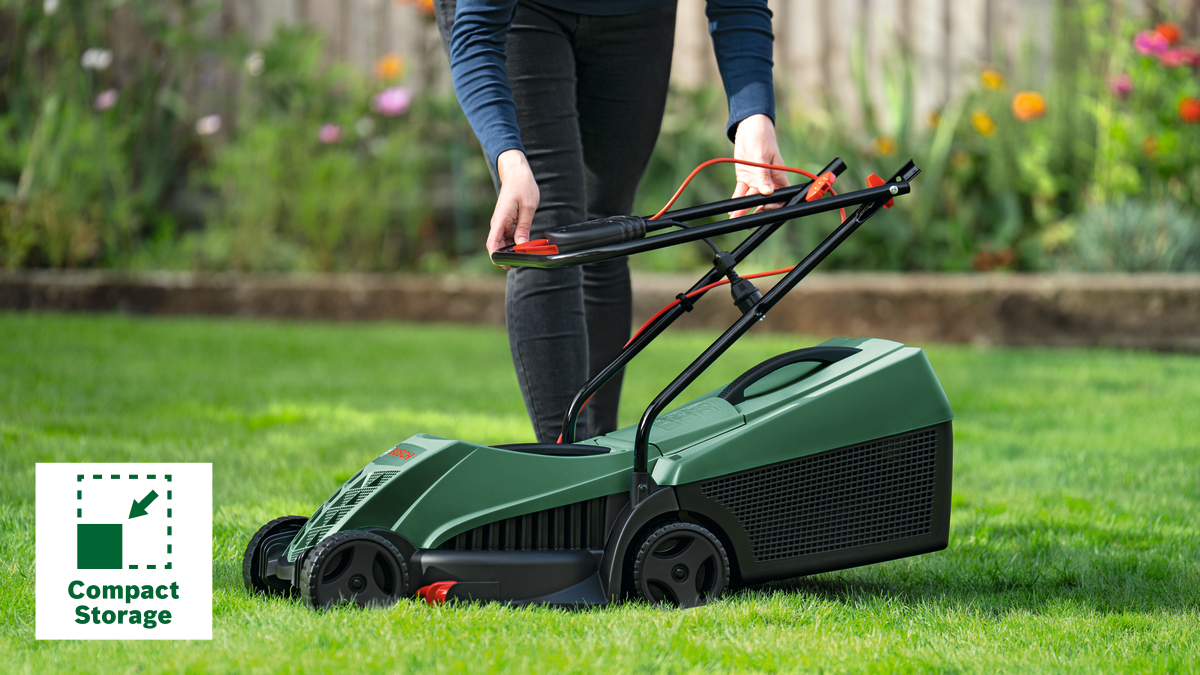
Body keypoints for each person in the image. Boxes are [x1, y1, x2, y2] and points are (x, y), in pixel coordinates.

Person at [434, 0, 790, 444]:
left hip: (635, 17)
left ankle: (601, 455)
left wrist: (754, 116)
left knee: (607, 231)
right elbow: (477, 34)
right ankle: (568, 472)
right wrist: (510, 157)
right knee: (548, 236)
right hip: (519, 14)